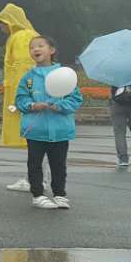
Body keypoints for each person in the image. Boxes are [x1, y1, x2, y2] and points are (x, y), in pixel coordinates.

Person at [15, 36, 83, 210]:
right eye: (32, 47)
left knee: (59, 165)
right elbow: (20, 99)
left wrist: (59, 106)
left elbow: (75, 99)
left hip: (60, 130)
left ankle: (60, 194)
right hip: (36, 130)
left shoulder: (64, 74)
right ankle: (38, 195)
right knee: (34, 164)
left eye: (40, 46)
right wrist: (32, 105)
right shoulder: (28, 78)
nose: (35, 49)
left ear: (52, 50)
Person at [0, 4, 41, 192]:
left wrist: (19, 96)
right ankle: (35, 178)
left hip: (25, 95)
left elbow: (24, 67)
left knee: (32, 138)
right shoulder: (28, 35)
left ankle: (34, 180)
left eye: (3, 22)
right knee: (35, 138)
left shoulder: (21, 37)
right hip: (32, 93)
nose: (1, 26)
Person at [111, 86, 131, 168]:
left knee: (119, 133)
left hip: (118, 105)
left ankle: (123, 159)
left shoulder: (118, 78)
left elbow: (113, 91)